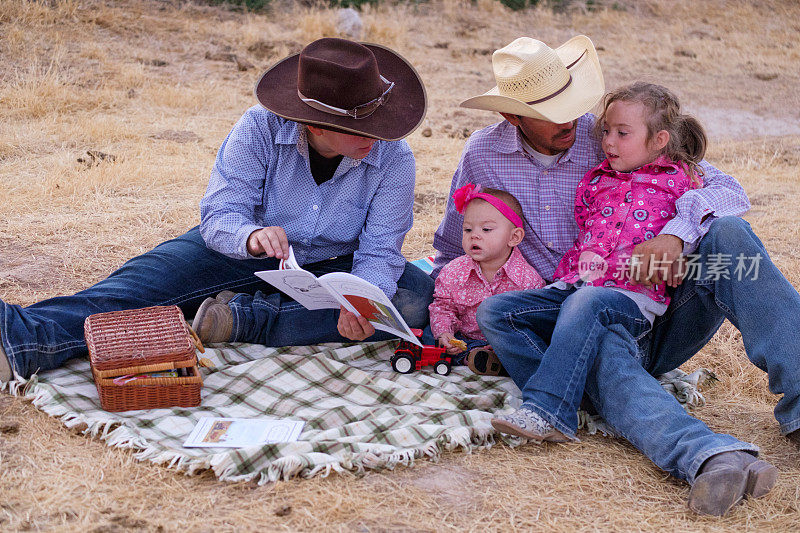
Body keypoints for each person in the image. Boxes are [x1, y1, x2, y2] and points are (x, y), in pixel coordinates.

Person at [435, 35, 799, 516]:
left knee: (728, 236)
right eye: (548, 112)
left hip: (652, 303)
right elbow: (447, 251)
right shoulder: (482, 155)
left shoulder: (610, 135)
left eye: (569, 104)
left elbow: (725, 188)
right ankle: (712, 457)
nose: (569, 120)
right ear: (512, 116)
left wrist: (676, 235)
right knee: (581, 319)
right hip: (570, 313)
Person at [0, 37, 434, 380]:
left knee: (415, 301)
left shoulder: (394, 157)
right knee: (137, 290)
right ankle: (24, 338)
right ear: (316, 124)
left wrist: (359, 300)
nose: (378, 135)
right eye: (362, 127)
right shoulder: (259, 127)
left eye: (381, 123)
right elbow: (221, 214)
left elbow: (380, 252)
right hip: (238, 249)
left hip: (335, 266)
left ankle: (239, 318)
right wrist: (250, 236)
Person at [427, 185, 544, 368]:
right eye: (467, 230)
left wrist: (508, 342)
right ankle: (476, 358)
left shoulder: (528, 280)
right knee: (429, 333)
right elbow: (443, 307)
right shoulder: (453, 271)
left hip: (505, 343)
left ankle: (491, 360)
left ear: (514, 237)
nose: (475, 236)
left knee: (532, 344)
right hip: (463, 340)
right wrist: (445, 333)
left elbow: (532, 321)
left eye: (486, 229)